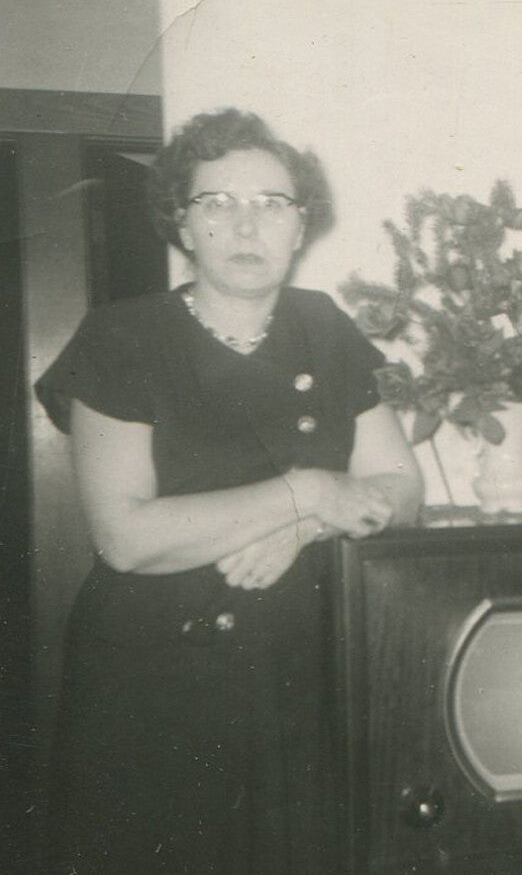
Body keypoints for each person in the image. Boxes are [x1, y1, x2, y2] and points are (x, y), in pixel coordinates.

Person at [35, 108, 423, 874]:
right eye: (218, 203)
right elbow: (125, 536)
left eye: (271, 204)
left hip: (306, 675)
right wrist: (307, 488)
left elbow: (402, 489)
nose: (247, 225)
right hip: (156, 690)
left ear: (300, 225)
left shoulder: (324, 326)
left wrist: (307, 525)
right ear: (181, 225)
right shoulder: (121, 337)